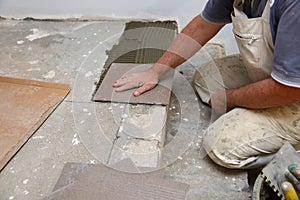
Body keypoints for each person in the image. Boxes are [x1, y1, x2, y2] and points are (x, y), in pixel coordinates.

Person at [113, 0, 300, 169]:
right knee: (206, 79)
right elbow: (203, 25)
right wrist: (156, 71)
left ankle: (292, 152)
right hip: (284, 77)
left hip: (292, 93)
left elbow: (288, 90)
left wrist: (232, 98)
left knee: (220, 146)